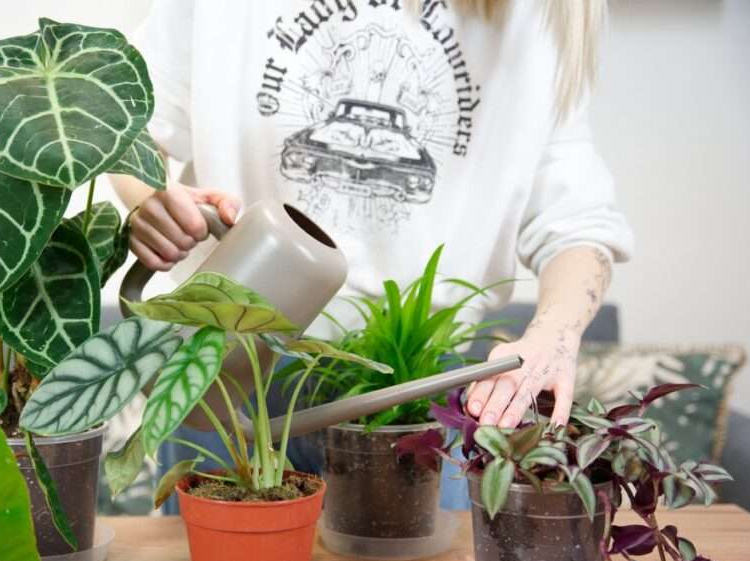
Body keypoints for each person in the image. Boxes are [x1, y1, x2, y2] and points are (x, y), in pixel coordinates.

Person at [110, 0, 634, 509]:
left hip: (415, 386)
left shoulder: (541, 12)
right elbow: (126, 123)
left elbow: (576, 219)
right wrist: (153, 199)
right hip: (225, 364)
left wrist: (556, 335)